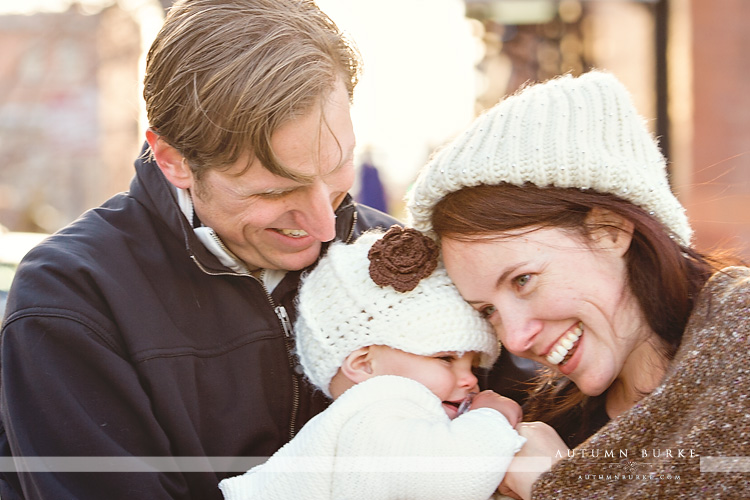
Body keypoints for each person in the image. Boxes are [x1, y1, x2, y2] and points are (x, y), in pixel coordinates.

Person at [0, 1, 400, 499]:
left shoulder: (398, 260)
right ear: (174, 160)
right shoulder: (73, 297)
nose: (324, 226)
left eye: (339, 169)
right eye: (274, 192)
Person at [406, 70, 749, 499]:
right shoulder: (545, 424)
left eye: (523, 280)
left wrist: (554, 486)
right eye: (487, 311)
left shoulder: (739, 340)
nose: (514, 338)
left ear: (610, 231)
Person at [218, 226, 526, 500]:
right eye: (445, 359)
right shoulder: (374, 414)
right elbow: (452, 478)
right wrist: (492, 419)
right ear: (365, 364)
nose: (470, 381)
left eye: (473, 366)